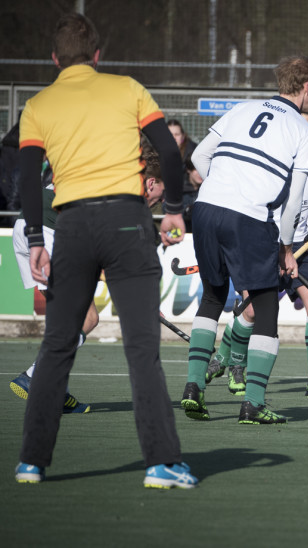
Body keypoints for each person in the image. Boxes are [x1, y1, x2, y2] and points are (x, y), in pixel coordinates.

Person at [14, 13, 195, 488]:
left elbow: (27, 178)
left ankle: (31, 461)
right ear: (98, 56)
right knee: (141, 349)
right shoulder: (128, 89)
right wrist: (173, 208)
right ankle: (160, 464)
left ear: (54, 59)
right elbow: (170, 153)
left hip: (69, 225)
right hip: (126, 220)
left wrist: (36, 237)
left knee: (56, 346)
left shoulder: (37, 104)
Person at [180, 55, 308, 425]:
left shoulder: (243, 109)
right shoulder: (304, 131)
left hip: (206, 208)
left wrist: (223, 184)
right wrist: (287, 247)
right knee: (266, 307)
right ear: (307, 87)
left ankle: (193, 387)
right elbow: (293, 199)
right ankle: (254, 404)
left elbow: (197, 156)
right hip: (250, 216)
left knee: (213, 296)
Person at [10, 142, 167, 411]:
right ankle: (35, 377)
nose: (159, 203)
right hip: (50, 233)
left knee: (67, 319)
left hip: (27, 228)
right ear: (151, 183)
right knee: (87, 318)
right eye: (161, 196)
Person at [206, 110, 308, 398]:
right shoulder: (272, 159)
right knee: (251, 309)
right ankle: (232, 362)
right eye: (304, 128)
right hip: (266, 243)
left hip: (301, 246)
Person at [166, 120, 202, 228]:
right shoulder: (159, 152)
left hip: (189, 193)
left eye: (176, 134)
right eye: (170, 135)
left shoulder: (193, 152)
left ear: (182, 136)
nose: (173, 138)